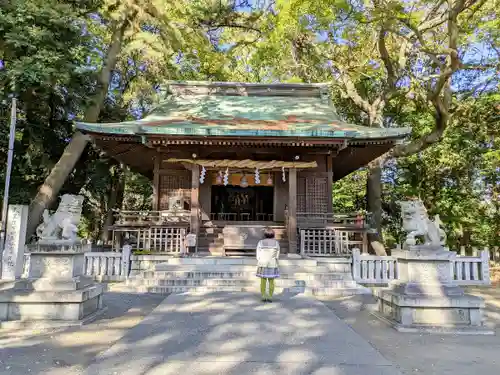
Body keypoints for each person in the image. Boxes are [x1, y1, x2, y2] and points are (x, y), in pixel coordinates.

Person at [256, 227, 280, 302]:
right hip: (272, 263)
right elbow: (277, 255)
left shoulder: (260, 242)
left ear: (265, 234)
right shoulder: (276, 243)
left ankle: (263, 296)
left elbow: (258, 254)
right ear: (273, 234)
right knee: (271, 281)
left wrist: (259, 260)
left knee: (263, 281)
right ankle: (270, 296)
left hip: (262, 263)